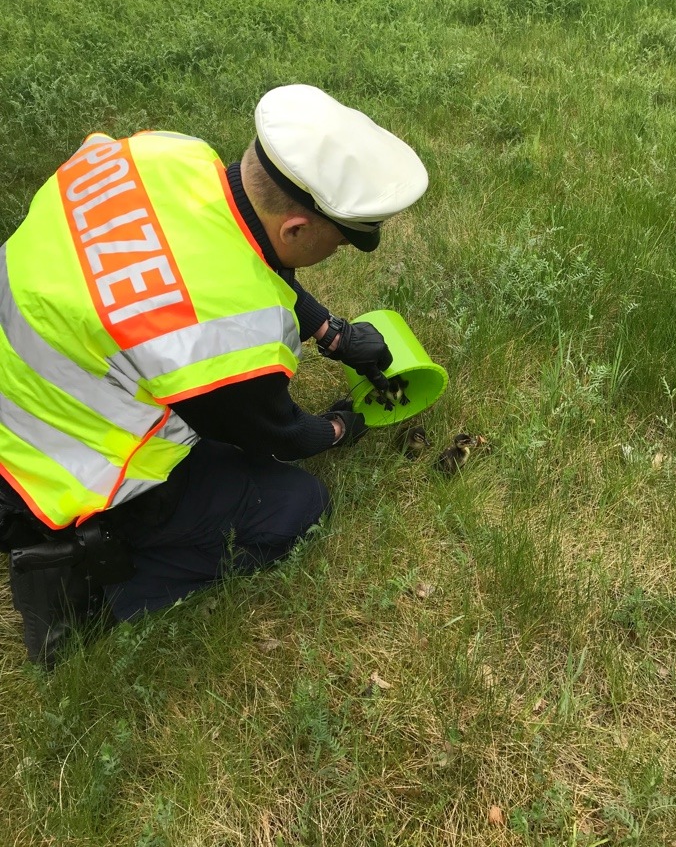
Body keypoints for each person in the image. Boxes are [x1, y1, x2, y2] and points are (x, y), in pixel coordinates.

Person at [0, 84, 429, 666]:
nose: (336, 255)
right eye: (338, 244)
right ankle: (88, 584)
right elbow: (279, 435)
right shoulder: (226, 341)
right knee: (296, 506)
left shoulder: (164, 154)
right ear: (298, 230)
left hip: (26, 379)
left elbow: (231, 252)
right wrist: (343, 428)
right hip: (47, 467)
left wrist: (333, 333)